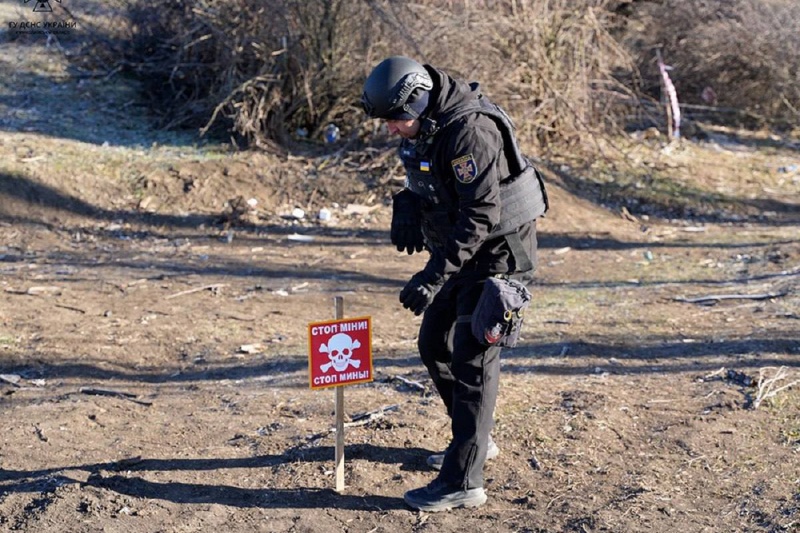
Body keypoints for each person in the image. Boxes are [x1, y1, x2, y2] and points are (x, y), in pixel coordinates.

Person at [361, 56, 549, 512]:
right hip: (462, 250)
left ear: (420, 102)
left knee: (472, 362)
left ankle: (464, 479)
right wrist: (405, 202)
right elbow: (436, 181)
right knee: (433, 344)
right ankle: (476, 439)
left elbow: (481, 214)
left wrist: (431, 276)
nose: (391, 130)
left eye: (396, 120)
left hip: (498, 254)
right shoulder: (427, 124)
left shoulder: (470, 132)